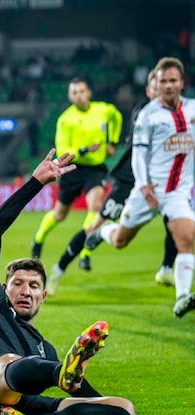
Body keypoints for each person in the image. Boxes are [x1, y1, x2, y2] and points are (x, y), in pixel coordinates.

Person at [0, 149, 136, 415]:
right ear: (4, 289)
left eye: (33, 286)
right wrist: (36, 182)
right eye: (18, 283)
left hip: (20, 407)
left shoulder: (44, 348)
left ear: (43, 296)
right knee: (7, 363)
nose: (25, 290)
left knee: (124, 409)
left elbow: (86, 399)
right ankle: (56, 379)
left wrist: (97, 403)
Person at [45, 69, 176, 294]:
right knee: (99, 227)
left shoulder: (179, 113)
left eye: (168, 84)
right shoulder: (142, 112)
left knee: (179, 224)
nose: (163, 88)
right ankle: (59, 268)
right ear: (149, 90)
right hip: (130, 179)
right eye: (157, 85)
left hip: (163, 181)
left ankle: (168, 270)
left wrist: (111, 139)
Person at [85, 57, 195, 318]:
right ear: (157, 83)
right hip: (148, 192)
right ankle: (103, 233)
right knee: (121, 240)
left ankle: (181, 298)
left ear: (181, 82)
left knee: (187, 239)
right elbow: (138, 154)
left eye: (173, 80)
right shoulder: (148, 115)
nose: (168, 85)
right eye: (163, 81)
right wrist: (144, 185)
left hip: (177, 192)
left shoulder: (192, 110)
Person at [30, 78, 122, 267]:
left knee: (95, 207)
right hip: (72, 169)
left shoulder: (103, 110)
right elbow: (63, 148)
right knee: (59, 214)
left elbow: (117, 117)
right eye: (75, 92)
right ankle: (38, 239)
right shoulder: (66, 119)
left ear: (89, 92)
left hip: (95, 168)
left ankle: (85, 251)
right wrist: (84, 149)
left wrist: (112, 140)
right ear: (70, 96)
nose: (79, 95)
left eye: (82, 91)